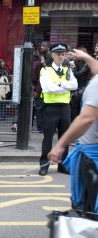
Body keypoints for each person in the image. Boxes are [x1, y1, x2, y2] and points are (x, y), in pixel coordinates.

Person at [48, 49, 98, 213]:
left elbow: (86, 118)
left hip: (92, 156)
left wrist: (60, 144)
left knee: (89, 210)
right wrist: (87, 58)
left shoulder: (97, 84)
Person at [39, 43, 78, 176]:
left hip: (65, 107)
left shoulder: (68, 70)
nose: (61, 57)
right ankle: (44, 165)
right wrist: (66, 87)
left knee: (65, 138)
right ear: (52, 55)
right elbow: (49, 88)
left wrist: (60, 84)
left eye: (63, 54)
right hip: (51, 107)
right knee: (48, 138)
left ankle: (63, 165)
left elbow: (75, 85)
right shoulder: (45, 70)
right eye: (58, 54)